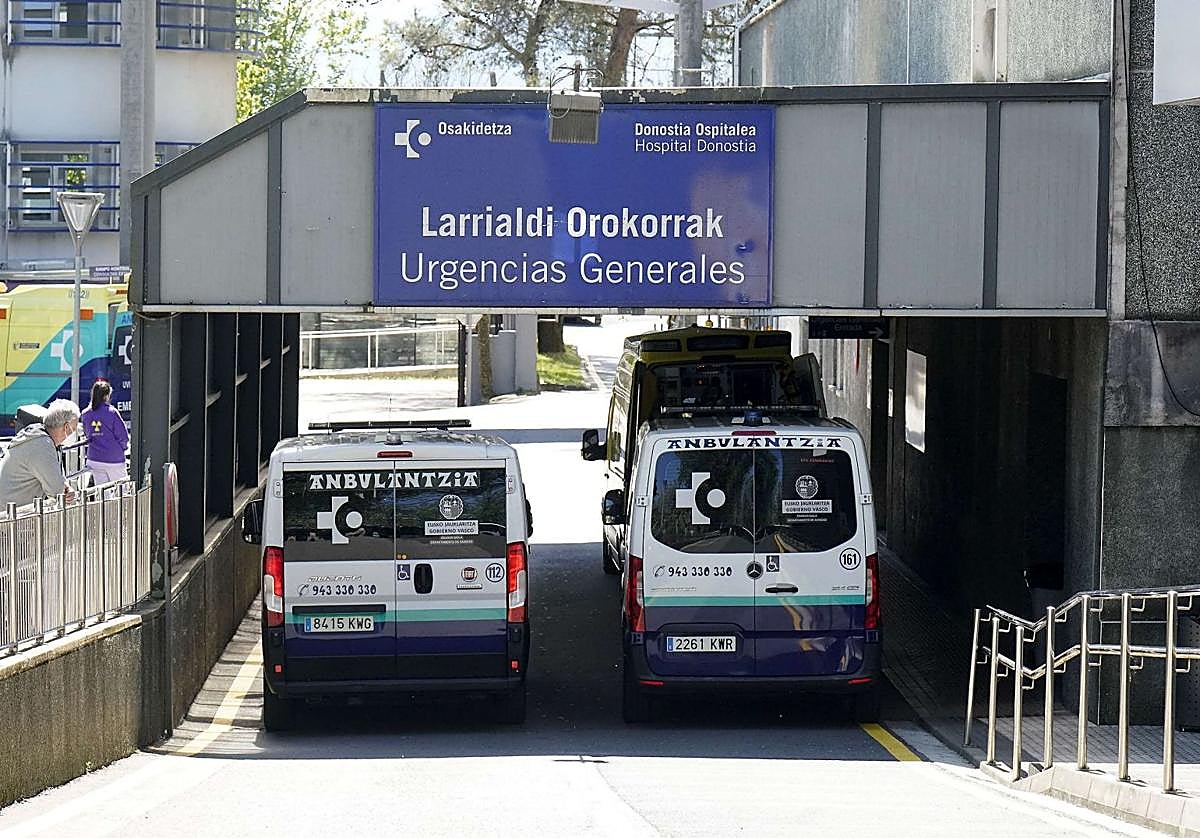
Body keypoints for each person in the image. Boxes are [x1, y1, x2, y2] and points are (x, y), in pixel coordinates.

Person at [0, 399, 79, 507]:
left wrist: (64, 487)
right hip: (12, 516)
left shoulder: (35, 436)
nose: (74, 433)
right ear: (66, 427)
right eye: (74, 428)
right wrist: (65, 490)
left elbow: (57, 484)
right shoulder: (42, 445)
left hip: (9, 511)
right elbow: (57, 491)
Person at [80, 380, 130, 485]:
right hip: (114, 459)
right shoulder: (112, 412)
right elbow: (123, 436)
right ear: (106, 396)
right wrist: (123, 448)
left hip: (94, 459)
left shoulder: (85, 414)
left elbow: (87, 433)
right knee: (122, 492)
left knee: (102, 494)